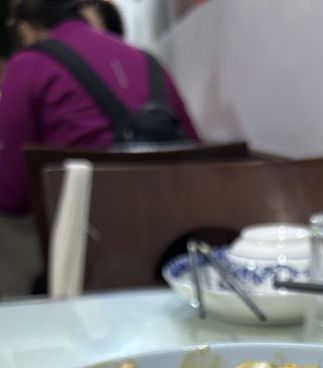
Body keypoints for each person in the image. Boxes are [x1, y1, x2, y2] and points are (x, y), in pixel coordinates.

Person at [0, 0, 199, 295]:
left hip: (86, 263)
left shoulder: (28, 64)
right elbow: (197, 151)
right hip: (175, 257)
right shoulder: (147, 60)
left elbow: (12, 196)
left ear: (25, 29)